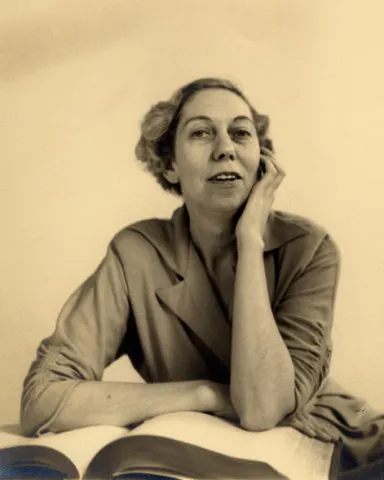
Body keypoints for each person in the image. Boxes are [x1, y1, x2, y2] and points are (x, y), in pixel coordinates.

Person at [21, 77, 384, 476]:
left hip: (337, 445)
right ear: (170, 166)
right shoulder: (137, 253)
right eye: (201, 133)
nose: (225, 148)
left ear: (261, 161)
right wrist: (206, 394)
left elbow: (262, 409)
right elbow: (43, 399)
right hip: (200, 449)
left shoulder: (310, 248)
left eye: (241, 133)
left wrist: (249, 240)